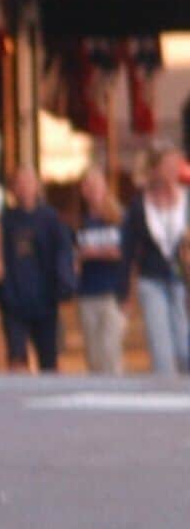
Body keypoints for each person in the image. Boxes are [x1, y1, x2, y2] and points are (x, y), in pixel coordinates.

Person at [0, 167, 78, 376]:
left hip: (45, 300)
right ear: (12, 189)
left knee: (48, 361)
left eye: (28, 182)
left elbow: (64, 254)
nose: (24, 188)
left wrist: (65, 284)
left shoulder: (51, 219)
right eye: (19, 183)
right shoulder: (5, 220)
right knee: (16, 358)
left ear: (37, 187)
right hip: (14, 300)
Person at [128, 148, 187, 377]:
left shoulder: (186, 200)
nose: (173, 170)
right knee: (161, 347)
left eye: (177, 164)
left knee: (184, 347)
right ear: (157, 169)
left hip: (183, 281)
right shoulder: (140, 204)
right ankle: (166, 397)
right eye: (168, 164)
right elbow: (129, 247)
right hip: (151, 278)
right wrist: (125, 290)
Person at [74, 164, 130, 376]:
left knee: (110, 351)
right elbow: (75, 254)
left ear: (104, 187)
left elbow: (124, 253)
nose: (91, 190)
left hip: (112, 293)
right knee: (93, 354)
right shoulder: (80, 221)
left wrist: (93, 253)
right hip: (88, 292)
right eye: (86, 186)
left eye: (95, 185)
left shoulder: (119, 219)